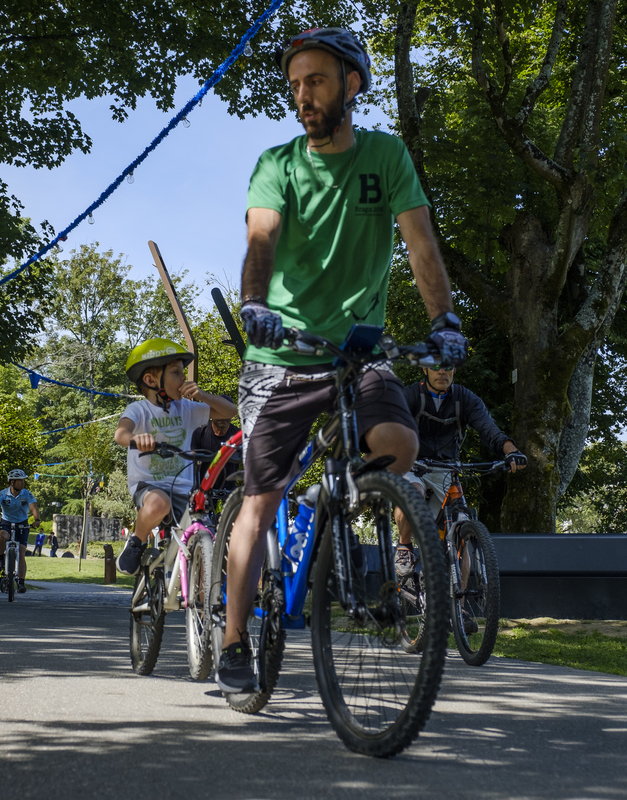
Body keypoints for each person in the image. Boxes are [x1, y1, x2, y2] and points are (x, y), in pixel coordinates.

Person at [216, 27, 468, 695]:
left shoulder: (384, 157)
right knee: (259, 505)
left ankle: (350, 501)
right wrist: (254, 302)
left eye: (317, 80)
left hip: (357, 352)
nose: (302, 94)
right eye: (295, 83)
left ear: (352, 84)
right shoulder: (278, 164)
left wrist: (444, 319)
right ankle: (234, 639)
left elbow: (420, 246)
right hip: (282, 354)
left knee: (398, 442)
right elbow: (261, 238)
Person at [396, 363, 527, 632]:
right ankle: (404, 547)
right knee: (414, 492)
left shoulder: (465, 398)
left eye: (447, 366)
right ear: (424, 369)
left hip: (448, 469)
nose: (441, 372)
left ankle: (457, 607)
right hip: (413, 464)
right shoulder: (410, 396)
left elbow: (488, 428)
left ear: (454, 369)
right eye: (435, 366)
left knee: (461, 536)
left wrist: (510, 450)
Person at [113, 338, 238, 575]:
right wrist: (135, 438)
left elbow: (230, 411)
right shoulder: (139, 410)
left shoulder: (187, 409)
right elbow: (120, 433)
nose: (184, 379)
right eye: (176, 373)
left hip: (183, 488)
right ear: (151, 380)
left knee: (206, 539)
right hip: (149, 484)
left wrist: (202, 395)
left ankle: (206, 608)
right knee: (160, 503)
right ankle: (136, 542)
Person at [0, 469, 40, 593]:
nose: (23, 483)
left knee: (21, 552)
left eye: (23, 480)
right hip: (6, 522)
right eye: (20, 481)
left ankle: (21, 582)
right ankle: (0, 558)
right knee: (1, 536)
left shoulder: (27, 494)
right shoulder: (2, 494)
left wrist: (37, 520)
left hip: (22, 522)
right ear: (12, 482)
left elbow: (34, 507)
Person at [191, 414, 241, 490]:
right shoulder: (200, 433)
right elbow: (192, 458)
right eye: (218, 412)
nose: (222, 416)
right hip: (204, 486)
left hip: (229, 487)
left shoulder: (238, 435)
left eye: (226, 413)